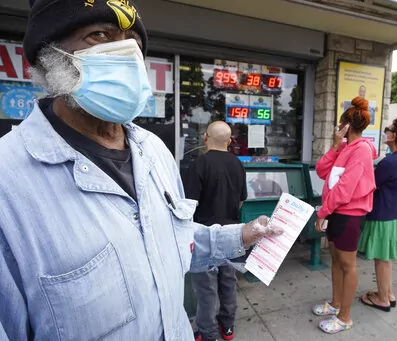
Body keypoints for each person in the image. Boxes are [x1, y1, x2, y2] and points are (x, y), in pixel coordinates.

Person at [0, 1, 281, 340]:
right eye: (99, 35)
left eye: (133, 40)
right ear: (52, 54)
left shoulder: (153, 150)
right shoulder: (8, 183)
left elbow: (173, 242)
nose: (127, 54)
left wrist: (240, 236)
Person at [312, 97, 377, 334]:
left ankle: (345, 316)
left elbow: (345, 189)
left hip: (349, 213)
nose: (336, 130)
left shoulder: (360, 150)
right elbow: (321, 171)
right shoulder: (345, 148)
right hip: (338, 211)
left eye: (339, 126)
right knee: (337, 260)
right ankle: (336, 303)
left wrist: (323, 212)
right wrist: (335, 145)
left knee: (348, 264)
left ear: (346, 126)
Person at [184, 122, 247, 341]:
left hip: (205, 236)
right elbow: (241, 200)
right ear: (229, 142)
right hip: (231, 234)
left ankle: (207, 332)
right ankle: (227, 327)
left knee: (205, 289)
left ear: (205, 137)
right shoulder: (238, 164)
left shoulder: (199, 163)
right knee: (228, 282)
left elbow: (189, 204)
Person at [358, 118, 397, 312]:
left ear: (395, 136)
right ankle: (388, 293)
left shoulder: (390, 162)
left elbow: (369, 184)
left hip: (385, 216)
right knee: (386, 258)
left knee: (382, 259)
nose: (385, 132)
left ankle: (382, 299)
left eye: (388, 130)